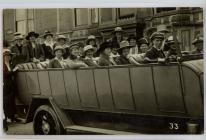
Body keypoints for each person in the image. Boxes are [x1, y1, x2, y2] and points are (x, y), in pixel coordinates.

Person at [3, 49, 21, 125]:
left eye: (9, 56)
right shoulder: (2, 65)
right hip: (5, 85)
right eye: (6, 56)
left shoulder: (10, 64)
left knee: (12, 101)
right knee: (6, 101)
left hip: (11, 84)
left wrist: (15, 70)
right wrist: (14, 70)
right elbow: (6, 74)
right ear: (3, 57)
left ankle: (13, 117)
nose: (7, 57)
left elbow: (14, 71)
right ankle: (7, 118)